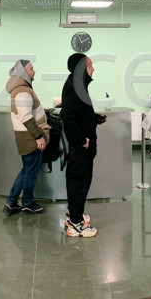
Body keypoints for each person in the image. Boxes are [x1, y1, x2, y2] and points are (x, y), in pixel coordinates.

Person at [60, 53, 101, 237]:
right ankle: (75, 223)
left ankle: (74, 214)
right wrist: (80, 140)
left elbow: (78, 112)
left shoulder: (77, 84)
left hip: (82, 145)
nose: (93, 68)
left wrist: (94, 118)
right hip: (81, 147)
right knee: (79, 182)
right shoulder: (76, 86)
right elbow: (67, 115)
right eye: (90, 65)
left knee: (79, 181)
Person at [3, 60, 49, 215]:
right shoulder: (23, 90)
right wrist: (38, 136)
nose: (34, 71)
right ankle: (28, 204)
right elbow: (26, 116)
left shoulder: (20, 89)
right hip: (30, 137)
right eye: (31, 69)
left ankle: (11, 203)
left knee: (26, 170)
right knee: (30, 172)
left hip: (26, 136)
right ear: (23, 72)